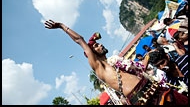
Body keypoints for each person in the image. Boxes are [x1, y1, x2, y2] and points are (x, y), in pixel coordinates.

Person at [44, 20, 188, 105]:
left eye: (98, 44)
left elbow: (140, 68)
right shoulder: (99, 68)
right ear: (91, 54)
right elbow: (80, 40)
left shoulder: (115, 63)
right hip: (146, 101)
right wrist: (63, 26)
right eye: (95, 46)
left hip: (157, 89)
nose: (100, 45)